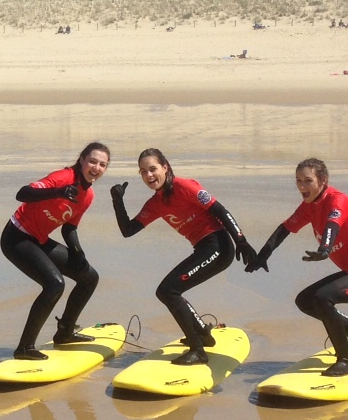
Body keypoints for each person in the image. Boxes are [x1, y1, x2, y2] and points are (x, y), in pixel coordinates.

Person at [110, 149, 256, 365]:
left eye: (153, 169)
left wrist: (241, 241)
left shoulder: (184, 186)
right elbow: (128, 230)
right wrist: (117, 201)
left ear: (165, 167)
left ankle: (198, 350)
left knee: (168, 290)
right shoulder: (155, 203)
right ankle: (202, 336)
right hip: (203, 249)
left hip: (218, 245)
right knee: (169, 291)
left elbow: (220, 211)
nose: (149, 175)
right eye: (143, 172)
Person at [249, 158, 348, 378]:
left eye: (308, 180)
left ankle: (345, 361)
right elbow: (285, 228)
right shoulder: (310, 206)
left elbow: (332, 225)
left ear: (323, 181)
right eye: (298, 181)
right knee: (305, 300)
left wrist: (325, 248)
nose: (302, 187)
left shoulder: (337, 201)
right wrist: (263, 255)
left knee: (324, 297)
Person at [1, 143, 108, 360]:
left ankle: (65, 333)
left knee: (89, 277)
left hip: (39, 240)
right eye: (93, 161)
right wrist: (57, 191)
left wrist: (78, 252)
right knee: (54, 284)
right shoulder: (63, 177)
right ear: (82, 160)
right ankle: (24, 348)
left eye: (102, 164)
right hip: (16, 237)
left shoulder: (88, 196)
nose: (97, 167)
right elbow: (22, 193)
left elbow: (69, 227)